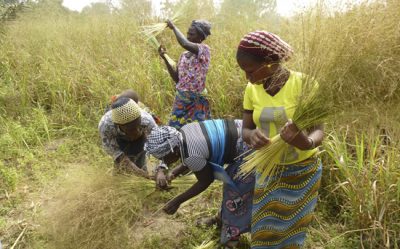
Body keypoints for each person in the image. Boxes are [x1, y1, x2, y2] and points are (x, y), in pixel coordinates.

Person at [236, 31, 324, 248]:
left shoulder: (305, 84)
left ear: (268, 62)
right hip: (268, 169)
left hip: (302, 172)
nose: (248, 78)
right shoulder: (252, 89)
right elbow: (246, 129)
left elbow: (319, 131)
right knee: (264, 231)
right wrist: (251, 136)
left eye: (250, 71)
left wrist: (306, 142)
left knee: (293, 232)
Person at [145, 119, 255, 247]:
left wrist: (177, 201)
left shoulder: (190, 155)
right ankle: (220, 220)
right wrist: (174, 172)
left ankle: (232, 239)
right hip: (245, 128)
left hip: (250, 149)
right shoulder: (183, 131)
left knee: (236, 197)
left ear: (173, 151)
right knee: (232, 190)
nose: (164, 162)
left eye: (164, 158)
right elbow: (195, 153)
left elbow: (205, 180)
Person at [98, 96, 168, 189]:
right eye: (131, 129)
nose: (135, 131)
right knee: (122, 174)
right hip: (120, 139)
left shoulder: (147, 120)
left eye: (137, 126)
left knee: (142, 160)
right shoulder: (106, 126)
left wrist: (159, 170)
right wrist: (142, 174)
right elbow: (118, 155)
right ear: (119, 125)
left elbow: (158, 146)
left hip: (141, 138)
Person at [158, 19, 212, 129]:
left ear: (200, 37)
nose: (188, 36)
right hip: (181, 101)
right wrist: (164, 58)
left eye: (191, 34)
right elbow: (177, 79)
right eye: (187, 33)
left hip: (196, 102)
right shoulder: (183, 55)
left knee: (196, 132)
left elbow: (184, 43)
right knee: (176, 130)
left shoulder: (204, 50)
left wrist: (173, 27)